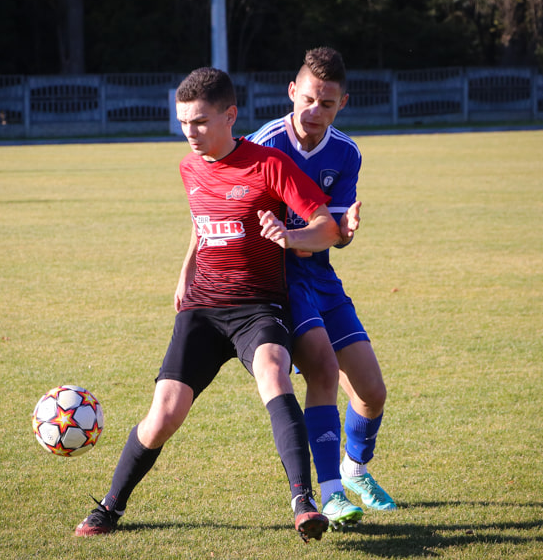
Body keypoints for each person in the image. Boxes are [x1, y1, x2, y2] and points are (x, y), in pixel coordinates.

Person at [74, 67, 340, 542]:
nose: (190, 134)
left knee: (275, 373)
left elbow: (328, 227)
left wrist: (291, 235)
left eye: (199, 122)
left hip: (258, 307)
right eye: (182, 124)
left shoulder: (269, 166)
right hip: (201, 309)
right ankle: (110, 506)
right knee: (163, 416)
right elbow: (202, 222)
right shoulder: (188, 167)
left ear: (229, 115)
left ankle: (303, 501)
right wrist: (184, 272)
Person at [248, 47, 396, 529]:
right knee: (324, 373)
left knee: (372, 393)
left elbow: (332, 234)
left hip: (321, 275)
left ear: (342, 104)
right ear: (292, 92)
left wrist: (345, 231)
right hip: (280, 280)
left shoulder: (346, 152)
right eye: (308, 99)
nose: (314, 112)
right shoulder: (263, 145)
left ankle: (355, 468)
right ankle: (330, 491)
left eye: (327, 104)